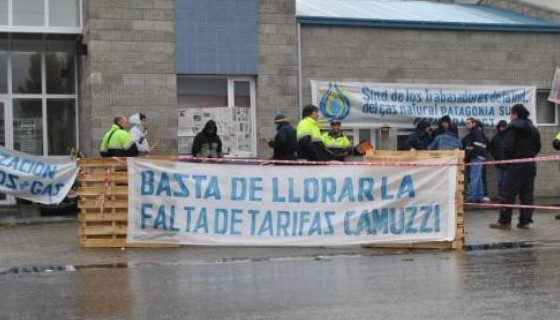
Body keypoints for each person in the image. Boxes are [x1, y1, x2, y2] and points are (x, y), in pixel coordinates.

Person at [490, 104, 541, 230]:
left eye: (511, 114)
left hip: (516, 164)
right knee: (527, 194)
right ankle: (525, 221)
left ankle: (504, 221)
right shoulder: (534, 129)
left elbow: (508, 146)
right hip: (530, 164)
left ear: (516, 114)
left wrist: (506, 161)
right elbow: (538, 146)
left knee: (507, 192)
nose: (510, 116)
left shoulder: (513, 128)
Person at [461, 117, 487, 203]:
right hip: (478, 157)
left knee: (474, 177)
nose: (466, 125)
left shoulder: (475, 133)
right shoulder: (475, 133)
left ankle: (471, 197)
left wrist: (469, 155)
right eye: (466, 123)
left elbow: (477, 147)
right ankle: (479, 196)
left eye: (468, 123)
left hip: (476, 157)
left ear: (473, 124)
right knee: (478, 177)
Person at [489, 120, 508, 201]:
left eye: (503, 127)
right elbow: (491, 148)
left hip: (508, 163)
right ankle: (501, 195)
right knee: (500, 180)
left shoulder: (509, 137)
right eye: (501, 127)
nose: (502, 128)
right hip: (499, 162)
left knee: (506, 181)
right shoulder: (496, 137)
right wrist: (495, 155)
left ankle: (506, 195)